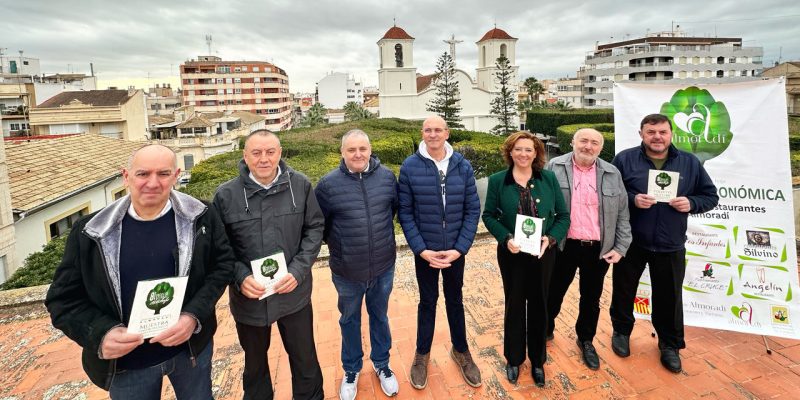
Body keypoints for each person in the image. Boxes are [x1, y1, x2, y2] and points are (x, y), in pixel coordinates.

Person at [45, 144, 235, 399]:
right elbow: (62, 300)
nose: (153, 183)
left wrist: (192, 316)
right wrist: (100, 333)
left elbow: (221, 267)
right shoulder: (90, 232)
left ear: (176, 175)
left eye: (164, 174)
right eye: (143, 174)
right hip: (128, 365)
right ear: (126, 176)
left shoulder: (201, 216)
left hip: (189, 351)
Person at [213, 130, 325, 399]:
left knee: (305, 360)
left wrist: (298, 271)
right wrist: (240, 277)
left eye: (270, 152)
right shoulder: (225, 195)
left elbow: (314, 229)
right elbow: (220, 247)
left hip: (293, 295)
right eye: (256, 152)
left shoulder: (300, 185)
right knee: (255, 367)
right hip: (250, 300)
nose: (264, 159)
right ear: (245, 155)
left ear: (280, 153)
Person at [610, 114, 718, 373]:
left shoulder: (689, 162)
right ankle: (621, 332)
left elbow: (710, 196)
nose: (657, 137)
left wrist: (691, 203)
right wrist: (633, 198)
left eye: (662, 132)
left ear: (671, 134)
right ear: (641, 134)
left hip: (670, 243)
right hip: (631, 241)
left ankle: (670, 345)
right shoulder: (625, 159)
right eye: (651, 132)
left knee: (669, 297)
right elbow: (610, 193)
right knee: (624, 290)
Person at [398, 115, 482, 389]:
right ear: (422, 133)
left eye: (438, 130)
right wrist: (421, 250)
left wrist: (460, 249)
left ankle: (461, 349)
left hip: (455, 250)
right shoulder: (410, 167)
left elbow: (472, 210)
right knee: (427, 302)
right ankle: (422, 355)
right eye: (427, 130)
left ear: (447, 133)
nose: (432, 134)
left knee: (455, 300)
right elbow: (405, 214)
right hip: (426, 252)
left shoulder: (462, 165)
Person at [315, 129, 400, 399]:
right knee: (349, 320)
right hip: (347, 271)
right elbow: (321, 226)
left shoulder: (387, 177)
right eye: (351, 150)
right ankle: (351, 370)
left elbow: (393, 211)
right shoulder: (327, 185)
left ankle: (382, 364)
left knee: (380, 316)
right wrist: (342, 247)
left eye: (362, 149)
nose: (358, 154)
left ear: (370, 149)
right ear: (342, 152)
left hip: (383, 267)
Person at [481, 132, 569, 387]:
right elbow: (489, 216)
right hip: (512, 254)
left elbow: (563, 216)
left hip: (543, 253)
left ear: (536, 153)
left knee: (541, 304)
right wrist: (506, 238)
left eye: (528, 150)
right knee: (515, 304)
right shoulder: (498, 181)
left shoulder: (549, 179)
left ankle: (538, 360)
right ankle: (514, 358)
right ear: (510, 152)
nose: (523, 154)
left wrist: (550, 239)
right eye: (518, 149)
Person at [545, 128, 631, 371]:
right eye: (583, 140)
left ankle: (585, 340)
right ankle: (545, 328)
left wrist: (621, 246)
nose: (588, 146)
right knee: (553, 291)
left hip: (598, 249)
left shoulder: (612, 172)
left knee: (591, 299)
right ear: (573, 142)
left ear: (600, 148)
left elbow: (623, 215)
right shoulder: (554, 166)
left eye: (594, 143)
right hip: (563, 245)